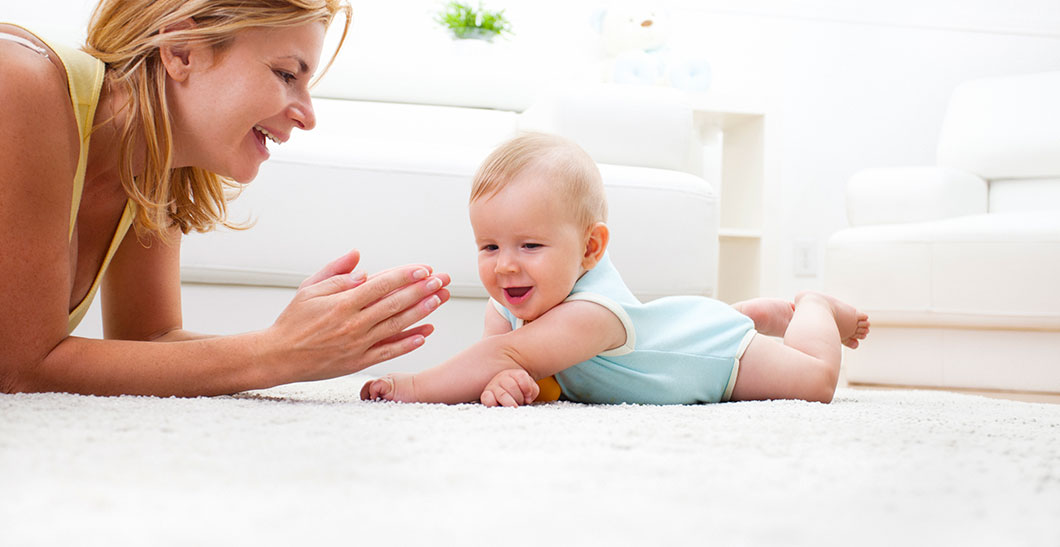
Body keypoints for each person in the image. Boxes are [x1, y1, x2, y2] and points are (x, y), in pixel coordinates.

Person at [0, 0, 452, 397]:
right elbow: (21, 367)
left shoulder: (154, 164)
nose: (307, 115)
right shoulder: (18, 81)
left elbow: (150, 341)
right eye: (286, 74)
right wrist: (276, 353)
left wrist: (309, 342)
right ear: (181, 50)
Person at [361, 133, 870, 407]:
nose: (506, 265)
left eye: (531, 244)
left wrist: (414, 387)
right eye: (489, 246)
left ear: (590, 248)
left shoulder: (591, 315)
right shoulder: (508, 305)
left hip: (715, 356)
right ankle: (749, 312)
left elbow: (503, 354)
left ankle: (810, 308)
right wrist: (517, 384)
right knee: (674, 326)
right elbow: (526, 371)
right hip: (670, 332)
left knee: (815, 381)